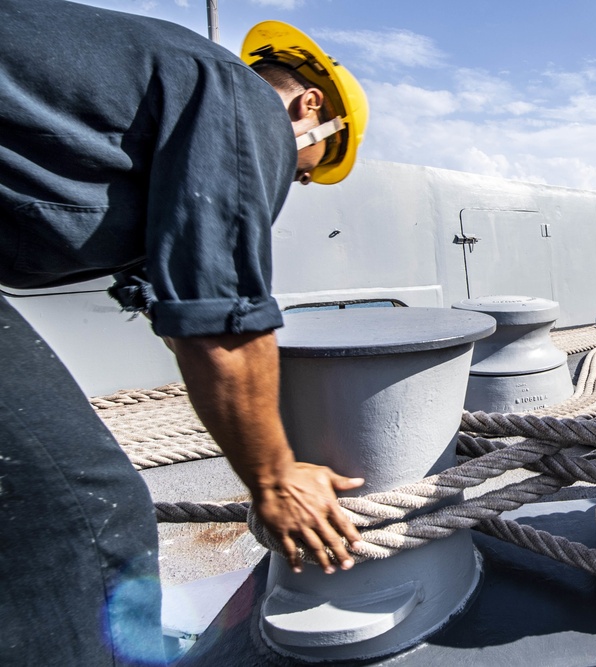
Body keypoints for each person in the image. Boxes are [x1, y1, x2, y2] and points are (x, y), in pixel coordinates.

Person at [1, 4, 368, 665]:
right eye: (310, 167)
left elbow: (179, 310)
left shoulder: (168, 91)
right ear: (309, 108)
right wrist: (275, 476)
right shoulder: (242, 102)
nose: (299, 180)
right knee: (87, 513)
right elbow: (217, 320)